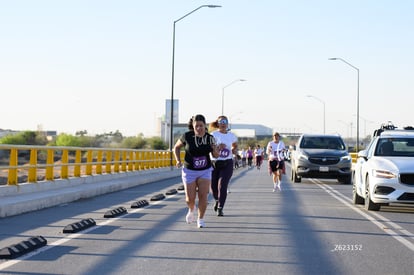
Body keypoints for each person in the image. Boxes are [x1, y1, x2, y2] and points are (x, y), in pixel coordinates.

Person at [173, 114, 219, 228]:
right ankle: (191, 209)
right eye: (196, 126)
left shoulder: (210, 138)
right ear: (193, 127)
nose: (198, 128)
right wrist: (178, 160)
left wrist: (215, 150)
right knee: (190, 199)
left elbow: (216, 155)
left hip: (205, 170)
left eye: (201, 126)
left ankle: (201, 219)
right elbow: (176, 147)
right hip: (189, 170)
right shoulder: (187, 136)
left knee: (203, 196)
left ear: (205, 125)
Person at [210, 115, 238, 217]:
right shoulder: (213, 135)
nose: (223, 123)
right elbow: (210, 148)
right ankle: (217, 200)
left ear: (227, 124)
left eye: (225, 121)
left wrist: (234, 150)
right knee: (213, 187)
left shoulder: (231, 135)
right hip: (214, 163)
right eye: (221, 121)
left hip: (227, 162)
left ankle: (220, 207)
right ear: (218, 124)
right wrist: (218, 147)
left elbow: (235, 145)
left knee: (222, 185)